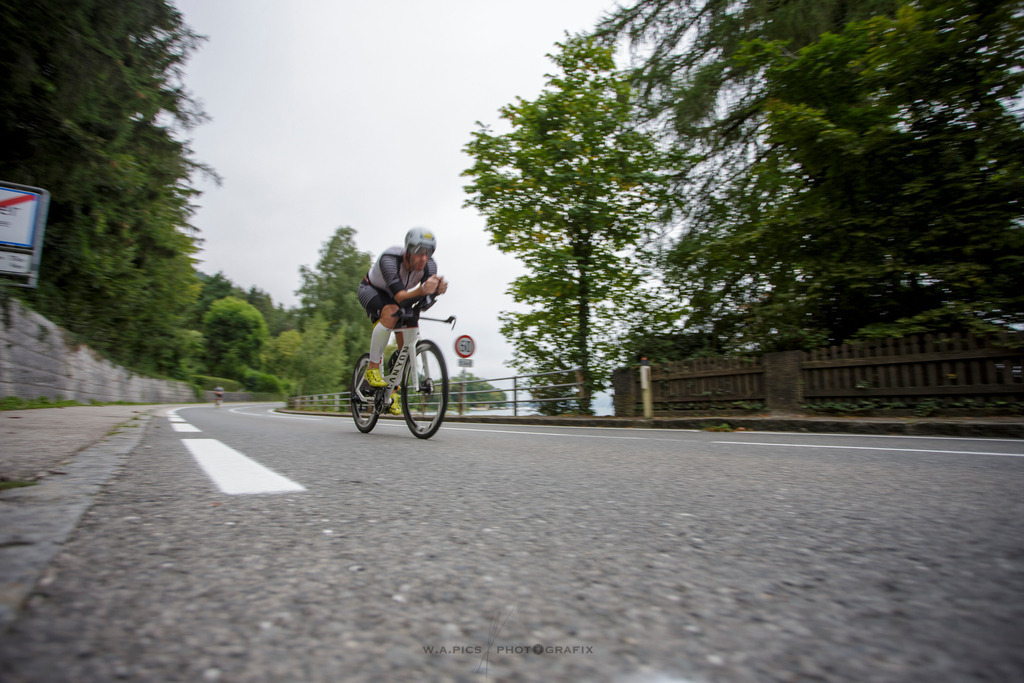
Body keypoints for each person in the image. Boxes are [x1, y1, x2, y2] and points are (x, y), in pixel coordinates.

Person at [357, 227, 448, 415]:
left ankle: (393, 392)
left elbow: (421, 302)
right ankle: (372, 367)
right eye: (419, 252)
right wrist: (424, 289)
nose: (424, 258)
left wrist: (435, 291)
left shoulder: (430, 267)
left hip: (401, 299)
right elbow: (398, 297)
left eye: (429, 252)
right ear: (408, 249)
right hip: (372, 291)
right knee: (391, 312)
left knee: (405, 346)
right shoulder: (390, 259)